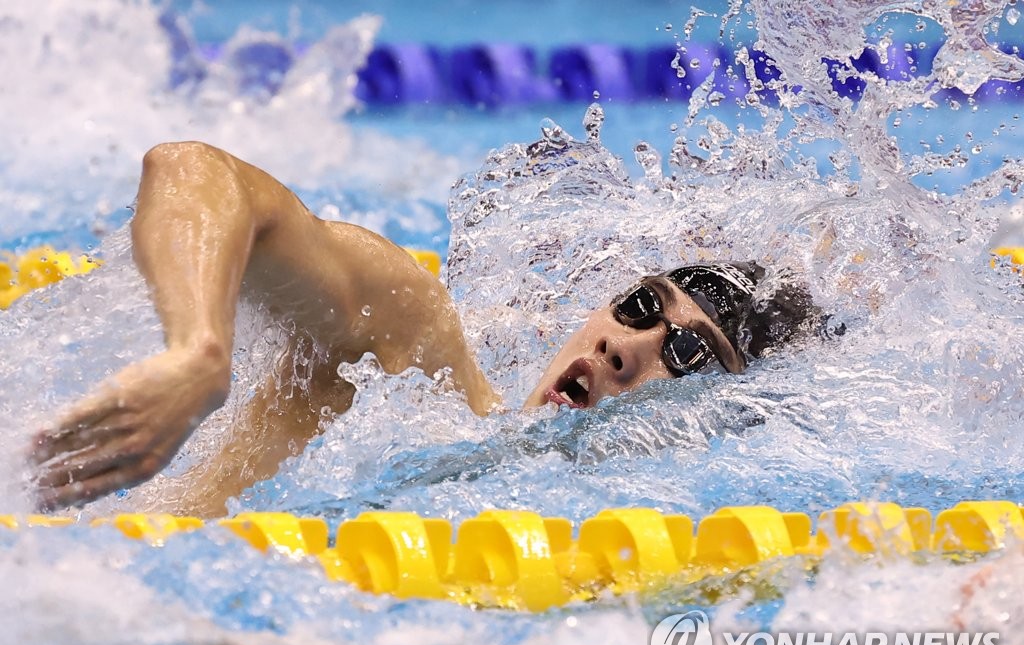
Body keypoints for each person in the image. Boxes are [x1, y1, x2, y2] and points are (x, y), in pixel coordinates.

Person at [30, 141, 820, 517]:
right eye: (641, 309)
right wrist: (198, 350)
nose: (625, 345)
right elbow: (193, 171)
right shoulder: (411, 354)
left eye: (685, 353)